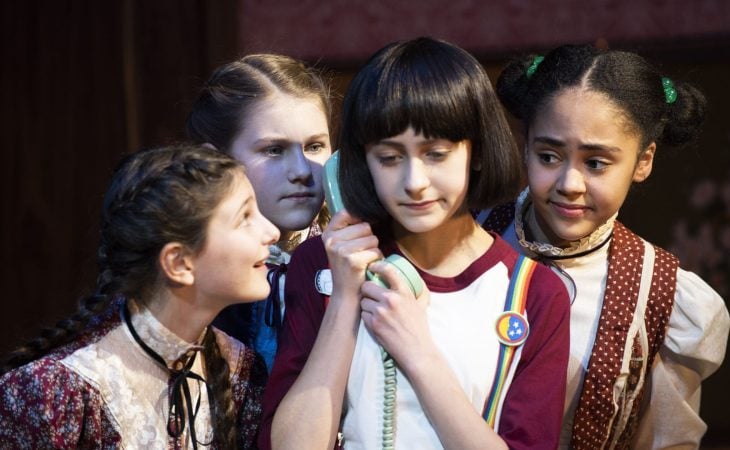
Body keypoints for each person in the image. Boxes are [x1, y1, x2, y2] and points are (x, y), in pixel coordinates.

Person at [261, 37, 571, 450]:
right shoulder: (321, 264)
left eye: (437, 154)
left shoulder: (536, 293)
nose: (414, 182)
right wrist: (344, 299)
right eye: (389, 158)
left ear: (475, 151)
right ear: (361, 161)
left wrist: (418, 353)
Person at [478, 44, 730, 449]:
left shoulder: (661, 296)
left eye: (595, 163)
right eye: (548, 156)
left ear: (643, 160)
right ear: (524, 145)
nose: (569, 184)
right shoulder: (467, 236)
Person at [0, 145, 279, 448]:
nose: (271, 231)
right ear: (179, 263)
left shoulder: (241, 369)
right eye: (245, 217)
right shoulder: (57, 391)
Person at [186, 53, 333, 371]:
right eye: (274, 150)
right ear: (215, 163)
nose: (301, 171)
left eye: (314, 147)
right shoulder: (189, 276)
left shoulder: (356, 256)